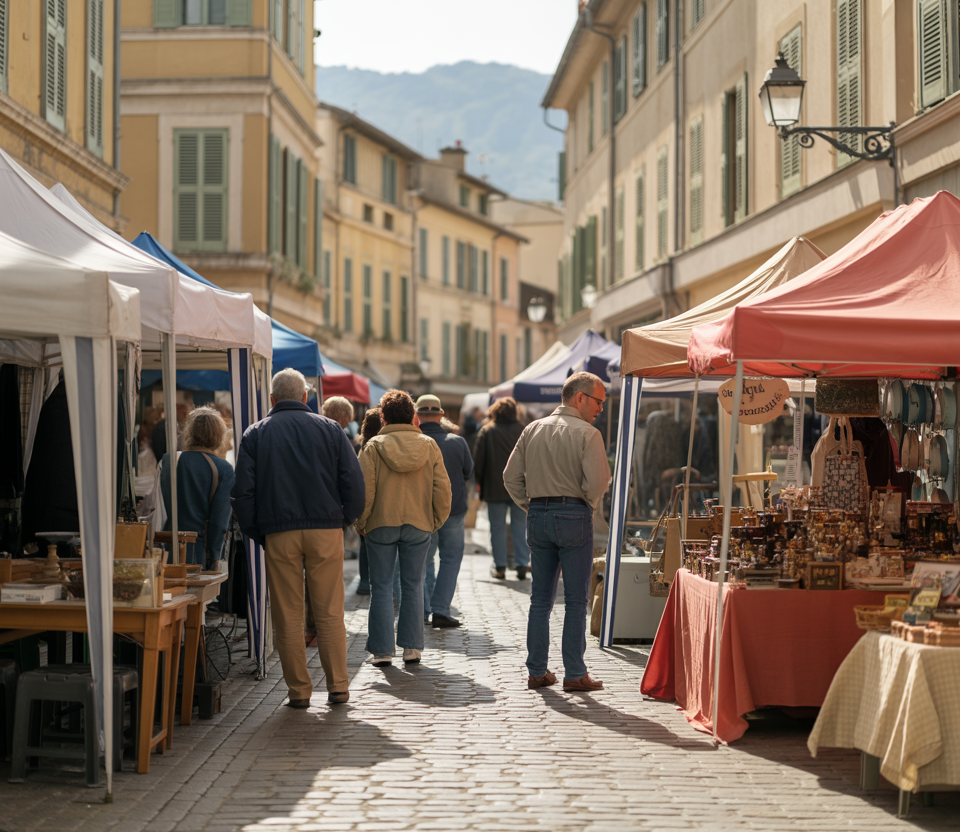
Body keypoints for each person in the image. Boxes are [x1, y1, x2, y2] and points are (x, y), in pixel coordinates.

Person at [231, 369, 364, 708]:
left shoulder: (255, 433)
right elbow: (354, 483)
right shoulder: (332, 430)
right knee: (330, 610)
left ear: (272, 399)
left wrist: (259, 533)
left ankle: (299, 692)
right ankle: (338, 686)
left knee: (288, 613)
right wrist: (343, 520)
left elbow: (242, 494)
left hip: (279, 531)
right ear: (306, 397)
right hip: (325, 529)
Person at [503, 372, 610, 693]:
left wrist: (532, 506)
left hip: (538, 515)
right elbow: (599, 483)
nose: (601, 409)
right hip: (573, 514)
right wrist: (584, 506)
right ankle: (575, 673)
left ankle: (537, 670)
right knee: (576, 600)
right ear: (579, 398)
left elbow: (510, 477)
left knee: (540, 599)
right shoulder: (588, 433)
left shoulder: (531, 430)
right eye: (598, 402)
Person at [356, 390, 451, 667]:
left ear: (382, 416)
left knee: (382, 587)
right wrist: (435, 521)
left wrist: (361, 522)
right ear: (413, 415)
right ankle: (412, 649)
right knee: (413, 585)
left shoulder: (373, 446)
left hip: (381, 523)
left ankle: (383, 651)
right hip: (419, 523)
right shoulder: (429, 445)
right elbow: (443, 489)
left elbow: (366, 491)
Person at [416, 395, 474, 628]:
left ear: (416, 416)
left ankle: (421, 610)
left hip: (422, 510)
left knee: (423, 561)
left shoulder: (414, 441)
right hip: (452, 508)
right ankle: (440, 609)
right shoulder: (456, 442)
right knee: (450, 559)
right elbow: (468, 472)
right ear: (441, 415)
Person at [159, 407, 235, 567]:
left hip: (164, 547)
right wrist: (215, 556)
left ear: (190, 432)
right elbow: (218, 522)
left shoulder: (168, 461)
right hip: (198, 552)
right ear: (219, 435)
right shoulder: (223, 469)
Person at [473, 397, 529, 580]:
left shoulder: (487, 431)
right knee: (519, 527)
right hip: (519, 488)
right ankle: (521, 563)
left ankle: (500, 566)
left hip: (493, 487)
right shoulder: (523, 430)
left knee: (496, 529)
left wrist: (479, 485)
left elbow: (478, 462)